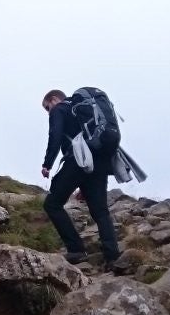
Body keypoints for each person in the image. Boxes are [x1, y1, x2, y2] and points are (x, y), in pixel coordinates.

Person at [39, 89, 123, 270]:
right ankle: (113, 257)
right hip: (99, 161)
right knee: (100, 212)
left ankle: (76, 250)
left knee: (52, 204)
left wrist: (47, 163)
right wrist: (85, 188)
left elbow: (55, 134)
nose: (48, 111)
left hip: (77, 160)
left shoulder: (59, 109)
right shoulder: (80, 109)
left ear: (53, 99)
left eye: (47, 107)